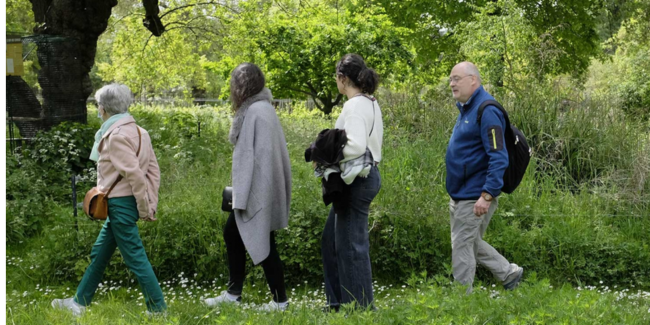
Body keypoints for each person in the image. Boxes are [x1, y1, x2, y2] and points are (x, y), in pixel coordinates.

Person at [51, 83, 165, 316]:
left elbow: (135, 175)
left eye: (97, 106)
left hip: (120, 204)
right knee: (99, 253)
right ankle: (79, 303)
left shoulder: (116, 136)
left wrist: (146, 208)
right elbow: (153, 171)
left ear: (103, 108)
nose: (97, 110)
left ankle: (158, 308)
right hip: (120, 205)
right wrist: (149, 202)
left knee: (135, 258)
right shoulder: (140, 132)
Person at [203, 63, 292, 311]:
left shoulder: (256, 112)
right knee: (235, 233)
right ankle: (236, 293)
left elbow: (258, 158)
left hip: (257, 190)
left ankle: (279, 300)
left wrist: (246, 194)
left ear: (242, 85)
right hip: (257, 188)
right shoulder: (260, 109)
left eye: (234, 83)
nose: (231, 88)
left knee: (257, 236)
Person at [445, 61, 524, 294]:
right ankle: (508, 273)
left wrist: (487, 194)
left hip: (475, 195)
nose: (451, 84)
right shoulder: (468, 108)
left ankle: (462, 300)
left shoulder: (486, 110)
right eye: (450, 79)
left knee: (461, 245)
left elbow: (499, 157)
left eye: (456, 79)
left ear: (473, 80)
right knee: (470, 242)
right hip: (462, 192)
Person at [321, 54, 383, 311]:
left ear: (342, 78)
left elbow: (356, 145)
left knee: (351, 247)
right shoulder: (370, 102)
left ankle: (359, 309)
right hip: (362, 177)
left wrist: (323, 154)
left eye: (336, 78)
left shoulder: (355, 105)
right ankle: (337, 303)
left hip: (356, 180)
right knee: (331, 241)